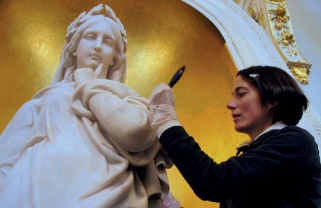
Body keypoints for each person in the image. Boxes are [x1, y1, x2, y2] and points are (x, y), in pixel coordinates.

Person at [0, 4, 180, 208]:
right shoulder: (44, 99)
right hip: (32, 190)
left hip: (108, 195)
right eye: (90, 36)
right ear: (74, 48)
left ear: (115, 56)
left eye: (107, 41)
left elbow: (135, 132)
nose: (97, 46)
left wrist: (89, 86)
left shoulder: (127, 100)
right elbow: (5, 160)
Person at [149, 65, 321, 208]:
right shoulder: (252, 155)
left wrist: (167, 122)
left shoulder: (296, 141)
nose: (230, 104)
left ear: (272, 99)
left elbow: (213, 182)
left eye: (241, 94)